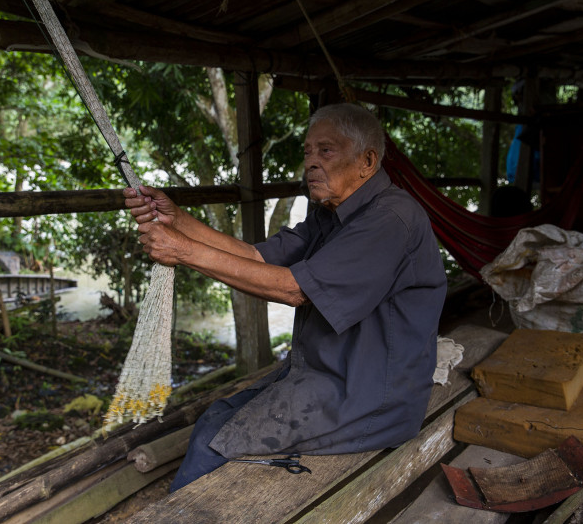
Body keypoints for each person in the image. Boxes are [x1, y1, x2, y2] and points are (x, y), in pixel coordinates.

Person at [123, 103, 447, 492]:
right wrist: (179, 222)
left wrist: (183, 251)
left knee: (215, 440)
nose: (310, 163)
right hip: (328, 377)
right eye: (307, 152)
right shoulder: (330, 215)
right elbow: (256, 258)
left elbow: (294, 289)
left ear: (367, 161)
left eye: (325, 151)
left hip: (370, 398)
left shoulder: (391, 219)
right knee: (216, 418)